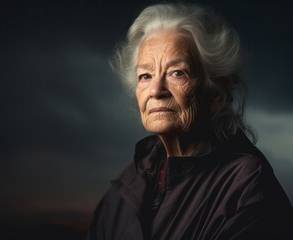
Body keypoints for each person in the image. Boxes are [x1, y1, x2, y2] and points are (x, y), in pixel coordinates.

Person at [87, 3, 293, 240]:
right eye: (145, 76)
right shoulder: (123, 192)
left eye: (177, 72)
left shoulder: (247, 186)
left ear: (217, 93)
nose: (156, 90)